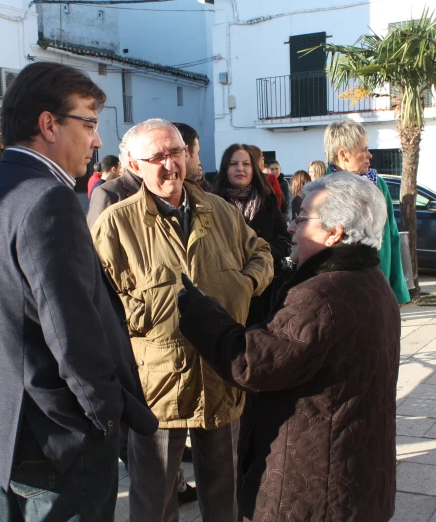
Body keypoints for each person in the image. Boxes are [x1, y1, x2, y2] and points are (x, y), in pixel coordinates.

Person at [0, 62, 157, 522]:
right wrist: (105, 416)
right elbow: (71, 332)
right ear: (48, 124)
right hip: (60, 437)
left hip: (13, 430)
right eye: (88, 122)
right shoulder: (47, 198)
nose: (97, 140)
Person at [177, 173, 400, 522]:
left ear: (334, 232)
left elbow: (252, 362)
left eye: (301, 218)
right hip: (355, 470)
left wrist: (199, 311)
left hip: (317, 482)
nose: (291, 229)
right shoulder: (370, 281)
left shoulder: (321, 294)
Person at [91, 118, 274, 522]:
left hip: (220, 376)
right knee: (153, 500)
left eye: (176, 153)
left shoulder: (222, 212)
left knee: (223, 496)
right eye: (156, 157)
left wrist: (245, 283)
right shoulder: (115, 224)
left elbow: (262, 252)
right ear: (134, 166)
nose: (169, 165)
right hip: (156, 388)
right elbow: (99, 304)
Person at [325, 119, 410, 305]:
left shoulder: (378, 185)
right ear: (343, 155)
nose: (369, 155)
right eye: (363, 150)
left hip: (378, 283)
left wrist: (398, 291)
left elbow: (392, 236)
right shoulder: (322, 190)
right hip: (337, 291)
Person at [214, 143, 291, 325]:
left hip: (266, 290)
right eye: (234, 164)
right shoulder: (213, 203)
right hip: (227, 289)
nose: (240, 168)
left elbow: (285, 240)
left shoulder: (268, 199)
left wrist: (260, 254)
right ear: (225, 168)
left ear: (254, 168)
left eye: (246, 164)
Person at [86, 139, 142, 228]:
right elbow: (96, 229)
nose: (122, 170)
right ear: (113, 169)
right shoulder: (103, 189)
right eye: (120, 167)